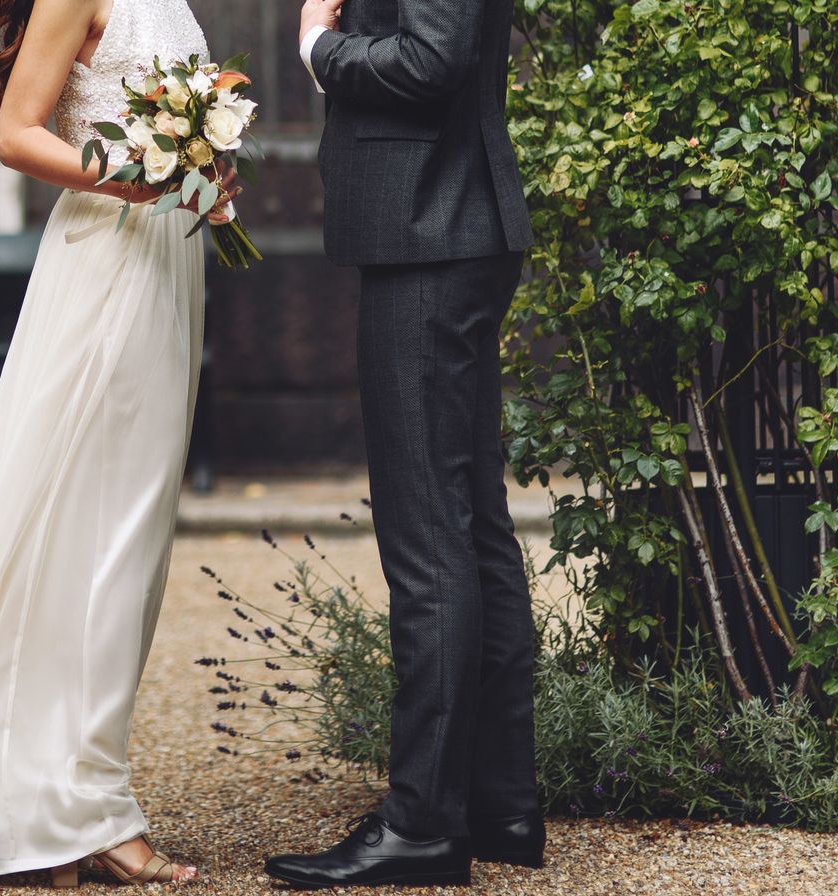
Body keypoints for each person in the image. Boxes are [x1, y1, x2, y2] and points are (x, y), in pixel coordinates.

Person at [0, 0, 235, 886]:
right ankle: (77, 810)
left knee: (131, 539)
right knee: (94, 537)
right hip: (106, 264)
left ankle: (60, 795)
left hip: (168, 261)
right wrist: (143, 177)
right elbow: (17, 136)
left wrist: (205, 178)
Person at [262, 0, 544, 887]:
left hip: (430, 229)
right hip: (446, 222)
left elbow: (431, 59)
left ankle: (423, 823)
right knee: (471, 527)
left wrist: (319, 47)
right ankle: (498, 804)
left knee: (429, 537)